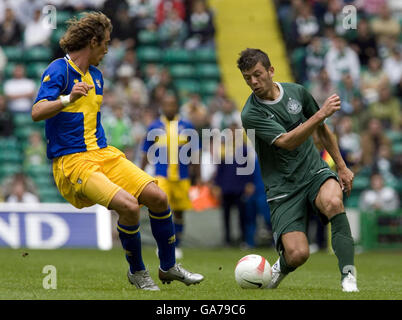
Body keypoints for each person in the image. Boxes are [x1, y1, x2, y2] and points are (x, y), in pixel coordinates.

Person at [31, 11, 203, 291]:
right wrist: (66, 98)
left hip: (103, 153)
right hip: (73, 162)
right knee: (129, 206)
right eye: (106, 43)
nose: (108, 50)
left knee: (158, 197)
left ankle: (168, 266)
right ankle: (138, 272)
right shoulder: (59, 70)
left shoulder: (97, 76)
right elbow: (37, 111)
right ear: (94, 41)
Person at [237, 48, 358, 292]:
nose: (253, 81)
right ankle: (279, 268)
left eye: (257, 74)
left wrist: (342, 167)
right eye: (247, 77)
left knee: (334, 202)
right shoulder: (251, 113)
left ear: (271, 71)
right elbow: (286, 142)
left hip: (313, 171)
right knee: (298, 254)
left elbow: (322, 130)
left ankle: (348, 276)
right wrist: (319, 114)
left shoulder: (296, 92)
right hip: (283, 187)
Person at [141, 92, 200, 259]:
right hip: (162, 175)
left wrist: (198, 175)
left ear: (177, 106)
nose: (169, 107)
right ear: (162, 106)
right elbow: (145, 150)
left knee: (180, 212)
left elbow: (195, 151)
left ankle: (177, 245)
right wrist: (140, 171)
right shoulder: (154, 126)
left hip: (182, 176)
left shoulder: (187, 125)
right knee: (161, 209)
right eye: (166, 104)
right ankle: (163, 244)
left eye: (172, 104)